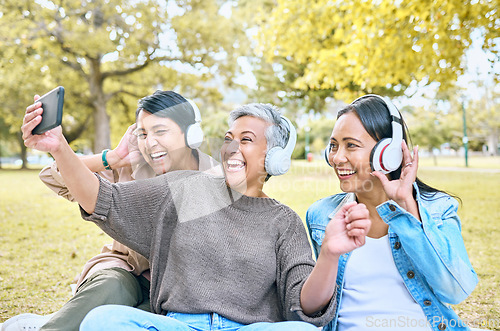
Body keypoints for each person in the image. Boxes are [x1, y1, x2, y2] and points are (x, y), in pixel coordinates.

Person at [21, 101, 372, 330]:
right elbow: (103, 198)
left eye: (246, 139)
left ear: (275, 157)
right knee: (103, 320)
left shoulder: (283, 221)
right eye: (228, 138)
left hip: (248, 328)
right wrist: (58, 146)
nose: (232, 147)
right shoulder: (189, 188)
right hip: (178, 325)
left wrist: (328, 253)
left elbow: (303, 307)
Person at [3, 90, 219, 331]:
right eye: (143, 133)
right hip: (124, 269)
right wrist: (113, 158)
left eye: (160, 131)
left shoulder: (218, 179)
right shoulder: (131, 166)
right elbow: (54, 177)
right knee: (114, 285)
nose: (150, 142)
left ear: (191, 134)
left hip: (176, 287)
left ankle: (53, 321)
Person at [306, 95, 478, 331]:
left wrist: (408, 210)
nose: (337, 158)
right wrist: (328, 254)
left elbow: (455, 290)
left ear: (387, 153)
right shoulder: (322, 215)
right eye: (333, 146)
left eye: (351, 145)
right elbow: (315, 308)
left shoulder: (437, 208)